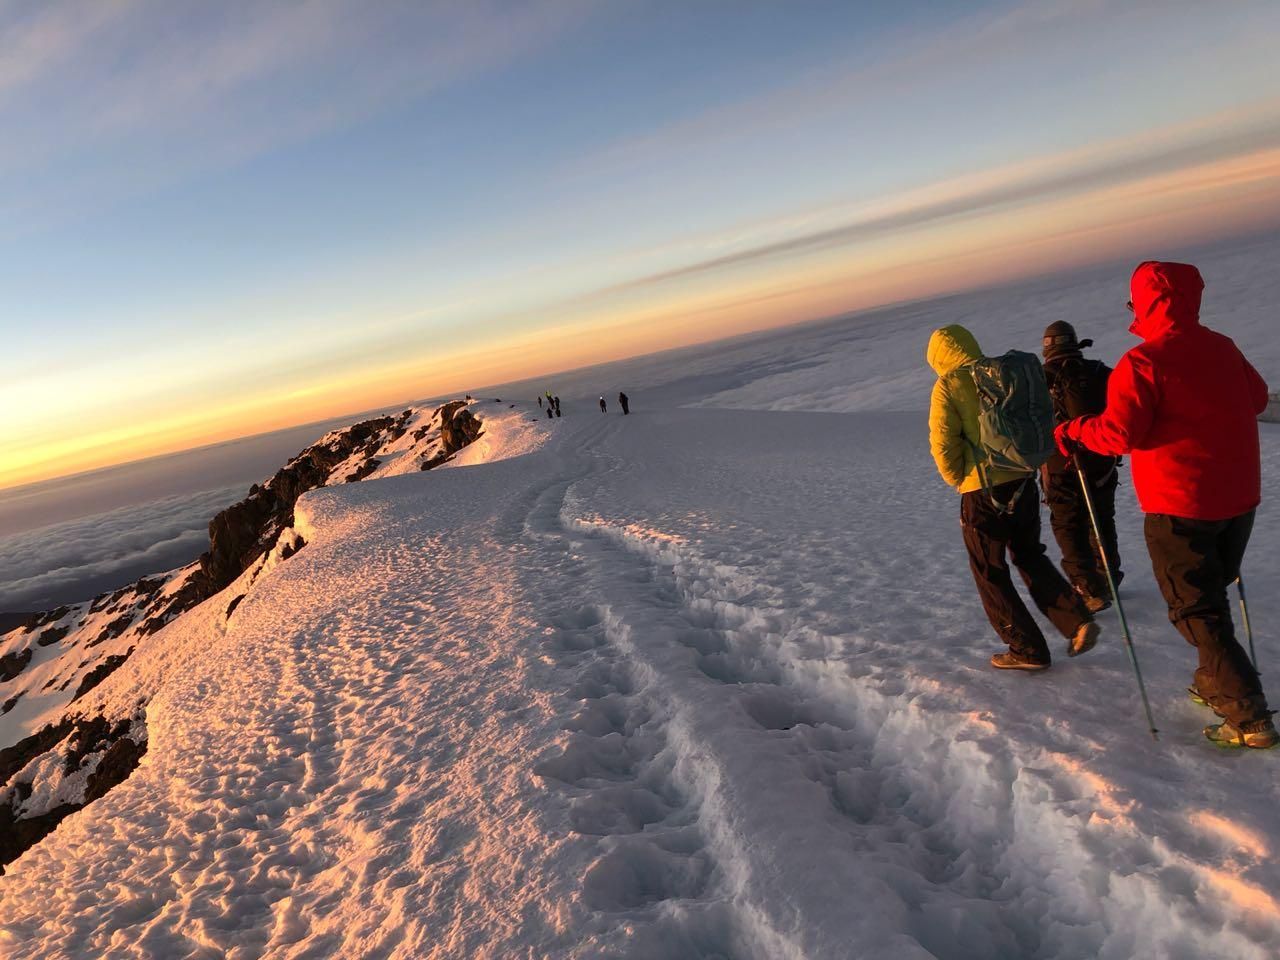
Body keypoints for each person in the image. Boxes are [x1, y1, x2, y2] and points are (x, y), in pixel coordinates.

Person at [1057, 261, 1276, 747]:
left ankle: (1249, 717)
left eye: (1133, 301)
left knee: (1195, 609)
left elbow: (1117, 435)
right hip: (1239, 499)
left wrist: (1073, 430)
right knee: (1211, 595)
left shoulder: (1143, 363)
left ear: (1145, 304)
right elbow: (1258, 399)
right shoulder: (1222, 347)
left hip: (1180, 506)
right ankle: (1213, 680)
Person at [928, 324, 1098, 671]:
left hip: (982, 488)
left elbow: (944, 443)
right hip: (1023, 481)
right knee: (1029, 555)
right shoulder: (999, 372)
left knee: (989, 570)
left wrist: (960, 480)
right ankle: (1076, 619)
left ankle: (1026, 649)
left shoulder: (949, 384)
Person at [1040, 321, 1123, 612]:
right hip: (1102, 462)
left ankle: (1088, 587)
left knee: (1068, 525)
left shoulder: (1039, 380)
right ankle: (1109, 578)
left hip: (1059, 465)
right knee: (1101, 519)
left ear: (1047, 349)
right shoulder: (1100, 372)